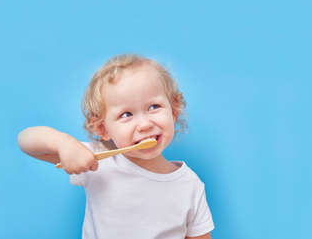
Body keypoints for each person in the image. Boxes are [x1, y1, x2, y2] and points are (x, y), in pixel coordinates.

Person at [17, 54, 214, 239]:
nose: (144, 124)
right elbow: (25, 140)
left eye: (153, 107)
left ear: (174, 111)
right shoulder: (98, 160)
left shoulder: (190, 185)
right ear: (103, 129)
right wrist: (63, 145)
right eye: (126, 114)